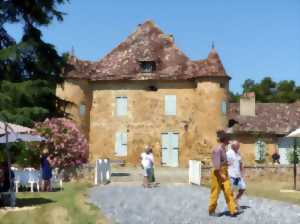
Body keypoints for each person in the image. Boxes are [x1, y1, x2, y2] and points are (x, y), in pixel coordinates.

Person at [208, 132, 237, 217]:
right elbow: (216, 166)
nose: (229, 141)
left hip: (224, 172)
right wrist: (221, 175)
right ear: (224, 140)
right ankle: (211, 211)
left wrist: (228, 163)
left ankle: (232, 210)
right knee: (215, 193)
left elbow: (222, 162)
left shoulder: (224, 149)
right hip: (218, 174)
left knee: (228, 191)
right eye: (228, 139)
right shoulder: (217, 149)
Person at [227, 141, 246, 210]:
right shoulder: (228, 153)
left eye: (239, 146)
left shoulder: (238, 153)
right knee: (231, 190)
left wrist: (242, 173)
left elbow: (240, 163)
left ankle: (236, 200)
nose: (239, 147)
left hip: (237, 176)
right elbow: (224, 163)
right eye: (237, 146)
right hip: (231, 175)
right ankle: (232, 207)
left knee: (243, 188)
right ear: (233, 146)